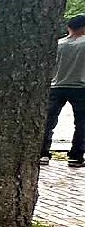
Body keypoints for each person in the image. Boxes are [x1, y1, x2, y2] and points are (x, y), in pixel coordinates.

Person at [40, 14, 85, 167]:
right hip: (80, 86)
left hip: (56, 86)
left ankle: (43, 153)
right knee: (81, 123)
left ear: (68, 27)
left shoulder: (58, 44)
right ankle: (76, 156)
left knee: (48, 121)